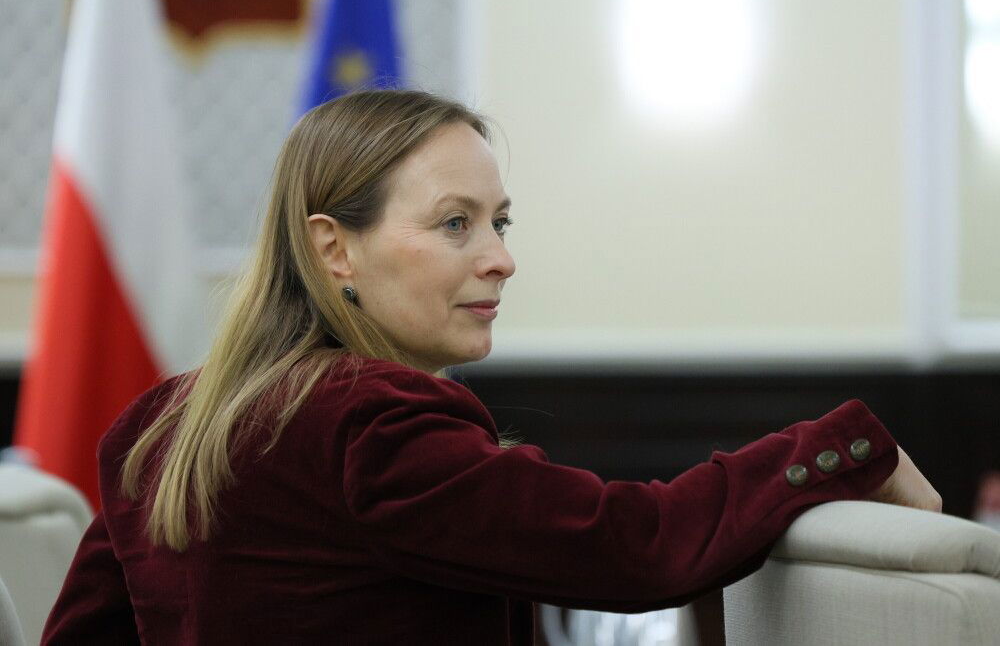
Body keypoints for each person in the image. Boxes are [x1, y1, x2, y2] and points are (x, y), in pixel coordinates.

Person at [41, 90, 941, 645]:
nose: (501, 259)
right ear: (335, 248)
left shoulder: (160, 426)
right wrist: (845, 446)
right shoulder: (373, 426)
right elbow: (641, 547)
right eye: (455, 224)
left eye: (499, 222)